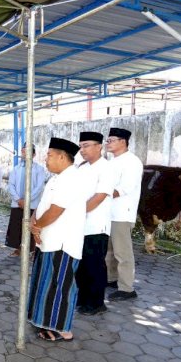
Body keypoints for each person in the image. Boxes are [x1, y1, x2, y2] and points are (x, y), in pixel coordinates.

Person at [28, 137, 85, 342]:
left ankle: (63, 329)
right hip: (47, 240)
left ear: (62, 157)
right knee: (46, 283)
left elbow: (56, 210)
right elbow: (43, 205)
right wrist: (35, 223)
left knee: (60, 285)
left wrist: (37, 226)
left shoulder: (72, 178)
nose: (46, 159)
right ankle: (45, 321)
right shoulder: (55, 178)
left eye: (50, 155)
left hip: (63, 243)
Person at [76, 132, 114, 316]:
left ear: (99, 146)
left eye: (87, 145)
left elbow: (99, 196)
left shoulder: (106, 168)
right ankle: (83, 300)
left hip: (96, 225)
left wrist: (77, 212)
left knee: (95, 265)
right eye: (81, 146)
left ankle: (97, 303)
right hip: (79, 225)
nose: (82, 149)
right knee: (81, 266)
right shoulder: (82, 168)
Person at [105, 127, 143, 301]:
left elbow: (126, 187)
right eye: (108, 140)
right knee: (110, 251)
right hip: (108, 212)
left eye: (111, 140)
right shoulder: (112, 161)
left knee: (123, 253)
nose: (108, 143)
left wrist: (100, 194)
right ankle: (112, 279)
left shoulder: (132, 162)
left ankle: (127, 288)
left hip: (122, 213)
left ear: (123, 141)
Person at [6, 143, 47, 257]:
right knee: (17, 226)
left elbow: (39, 187)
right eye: (23, 151)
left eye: (28, 151)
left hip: (32, 204)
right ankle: (18, 249)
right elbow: (11, 185)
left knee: (30, 226)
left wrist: (27, 200)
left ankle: (31, 250)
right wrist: (18, 199)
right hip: (17, 203)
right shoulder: (16, 169)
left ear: (34, 154)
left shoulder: (39, 169)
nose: (25, 153)